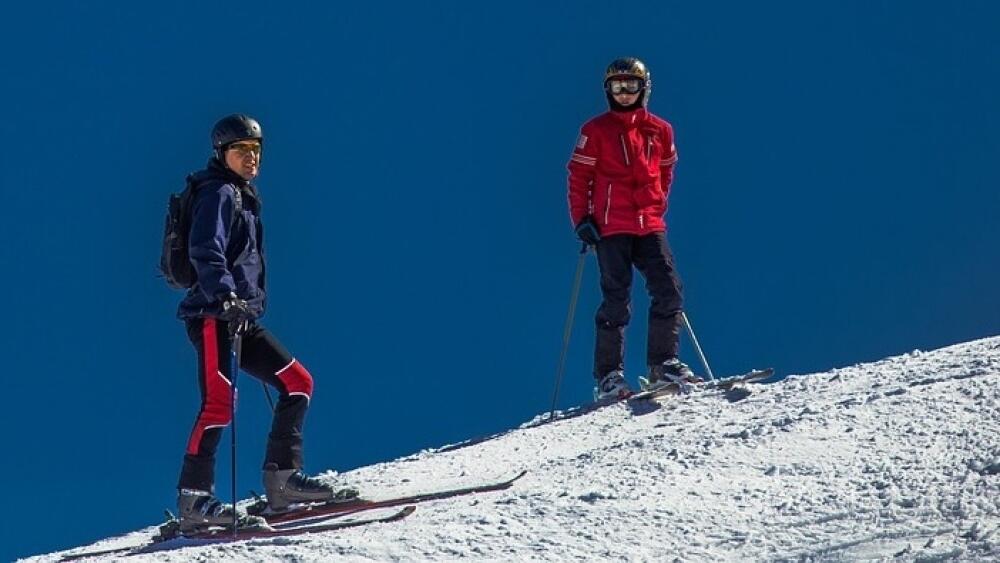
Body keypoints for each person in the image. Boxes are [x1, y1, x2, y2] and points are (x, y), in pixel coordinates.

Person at [174, 114, 356, 532]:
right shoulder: (218, 192)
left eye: (256, 150)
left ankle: (283, 481)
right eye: (241, 149)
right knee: (219, 401)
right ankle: (194, 500)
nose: (251, 157)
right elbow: (205, 249)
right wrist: (225, 295)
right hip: (214, 314)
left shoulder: (243, 197)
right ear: (222, 153)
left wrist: (241, 304)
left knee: (298, 382)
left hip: (241, 317)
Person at [566, 58, 699, 401]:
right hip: (610, 225)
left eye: (631, 86)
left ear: (644, 89)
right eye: (617, 87)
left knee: (669, 289)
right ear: (607, 91)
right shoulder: (595, 130)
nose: (624, 93)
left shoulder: (660, 130)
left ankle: (663, 364)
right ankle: (609, 376)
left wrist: (656, 204)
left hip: (649, 224)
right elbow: (579, 177)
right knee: (617, 298)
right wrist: (582, 219)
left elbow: (665, 172)